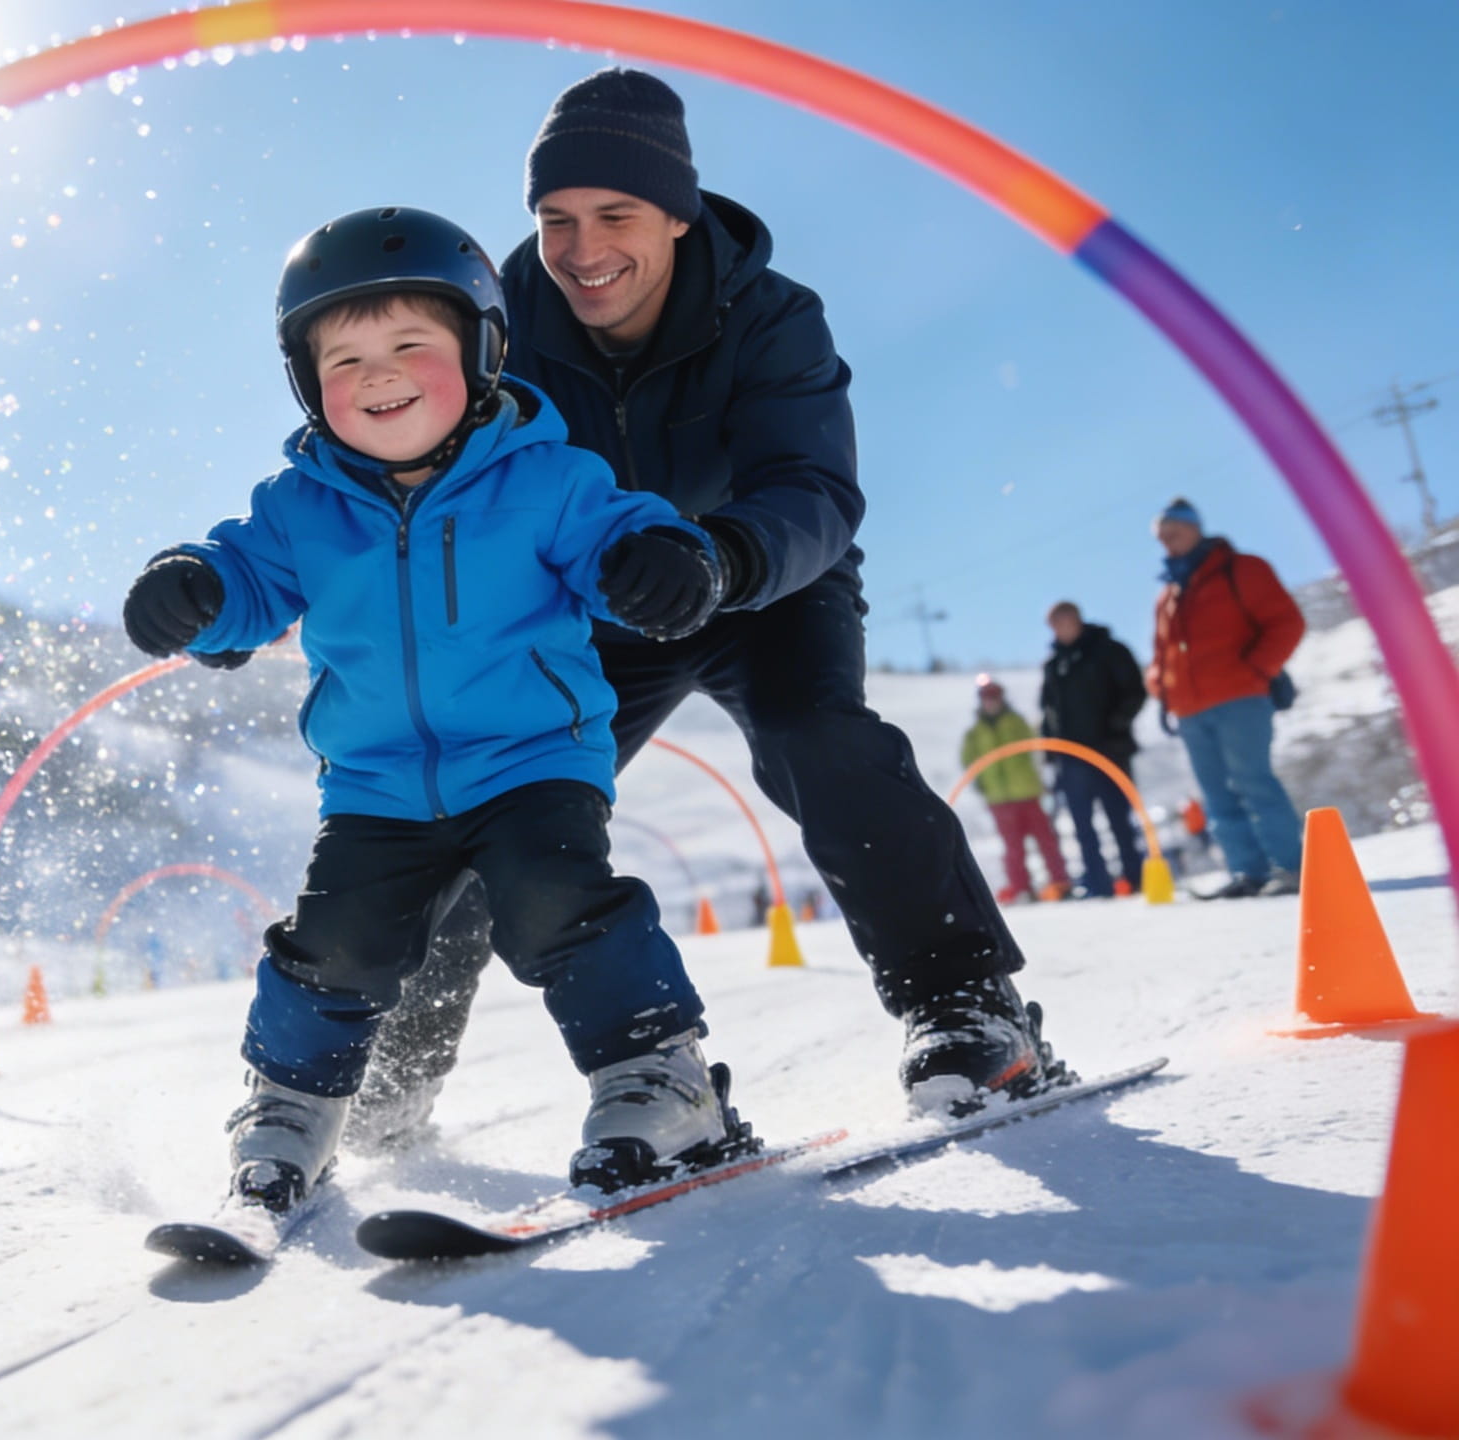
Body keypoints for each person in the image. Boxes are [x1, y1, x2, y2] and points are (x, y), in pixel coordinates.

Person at [355, 68, 1063, 1143]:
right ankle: (384, 1087)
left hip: (762, 581)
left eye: (614, 216)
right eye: (555, 220)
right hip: (595, 604)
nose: (583, 249)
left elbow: (814, 488)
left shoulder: (771, 316)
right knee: (484, 805)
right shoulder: (500, 336)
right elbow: (436, 479)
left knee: (812, 734)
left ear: (677, 215)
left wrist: (722, 558)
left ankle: (966, 1008)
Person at [123, 205, 744, 1220]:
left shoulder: (546, 477)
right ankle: (291, 1107)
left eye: (412, 343)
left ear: (484, 351)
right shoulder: (298, 506)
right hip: (375, 783)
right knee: (339, 941)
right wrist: (190, 585)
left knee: (556, 905)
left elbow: (611, 530)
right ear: (307, 384)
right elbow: (243, 576)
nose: (378, 373)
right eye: (346, 358)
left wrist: (653, 556)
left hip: (529, 758)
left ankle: (657, 1080)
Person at [1145, 497, 1307, 897]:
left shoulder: (1242, 569)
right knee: (1216, 796)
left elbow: (1287, 622)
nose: (1168, 540)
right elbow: (1162, 653)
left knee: (1254, 782)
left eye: (1175, 530)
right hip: (1189, 710)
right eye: (1162, 535)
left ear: (1196, 527)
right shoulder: (1167, 594)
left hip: (1240, 699)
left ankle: (1291, 867)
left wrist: (1255, 670)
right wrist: (1160, 686)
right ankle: (1247, 872)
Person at [1039, 600, 1149, 897]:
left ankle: (1136, 878)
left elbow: (1135, 691)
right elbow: (1048, 711)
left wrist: (1117, 725)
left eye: (1064, 621)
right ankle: (1098, 885)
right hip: (1071, 759)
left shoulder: (1109, 650)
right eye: (1054, 624)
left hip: (1110, 750)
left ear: (1077, 619)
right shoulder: (1054, 665)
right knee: (1082, 825)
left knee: (1119, 818)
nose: (1060, 628)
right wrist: (1050, 749)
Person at [960, 676, 1068, 904]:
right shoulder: (975, 732)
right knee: (1013, 847)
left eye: (994, 696)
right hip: (999, 798)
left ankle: (1060, 882)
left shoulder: (1016, 721)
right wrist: (981, 781)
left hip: (1027, 791)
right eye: (986, 697)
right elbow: (968, 760)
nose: (991, 701)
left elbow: (1035, 745)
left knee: (1045, 839)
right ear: (980, 700)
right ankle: (1022, 887)